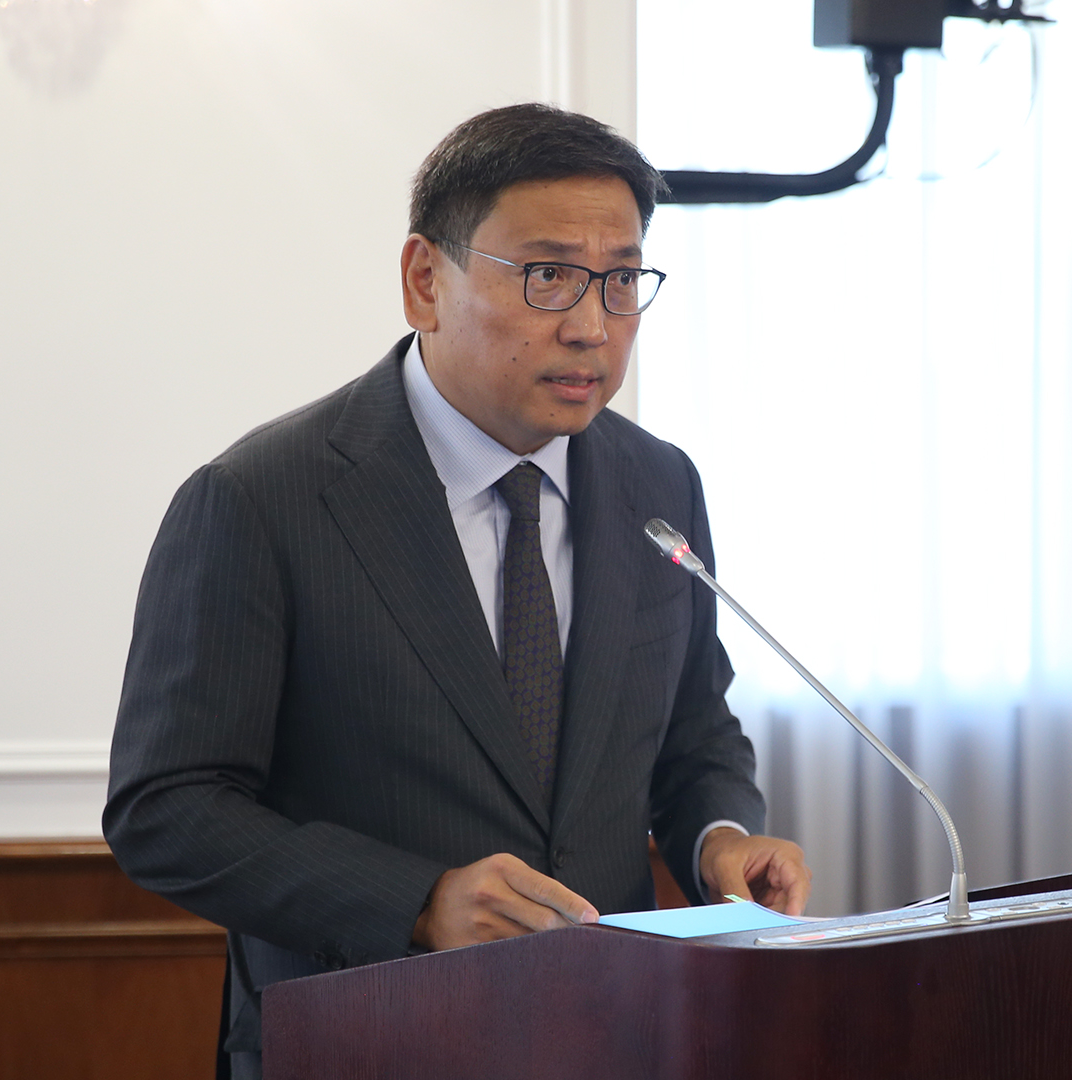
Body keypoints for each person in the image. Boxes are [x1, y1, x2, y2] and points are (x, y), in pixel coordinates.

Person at [104, 103, 811, 1079]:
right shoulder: (261, 500)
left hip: (613, 1037)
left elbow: (693, 732)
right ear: (425, 281)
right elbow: (166, 809)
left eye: (621, 279)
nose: (592, 325)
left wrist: (717, 840)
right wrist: (416, 901)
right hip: (368, 1044)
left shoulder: (659, 483)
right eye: (548, 275)